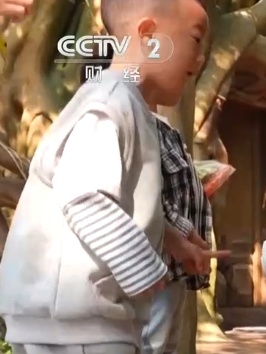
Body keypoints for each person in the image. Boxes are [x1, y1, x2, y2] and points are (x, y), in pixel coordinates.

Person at [0, 0, 209, 353]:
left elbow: (116, 197)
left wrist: (172, 238)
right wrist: (142, 267)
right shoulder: (110, 102)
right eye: (195, 39)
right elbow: (83, 195)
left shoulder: (124, 103)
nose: (201, 58)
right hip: (78, 326)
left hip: (74, 323)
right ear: (148, 36)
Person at [142, 111, 229, 354]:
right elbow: (146, 196)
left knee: (166, 345)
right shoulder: (130, 120)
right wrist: (186, 235)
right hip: (155, 265)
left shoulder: (164, 126)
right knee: (150, 345)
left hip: (177, 267)